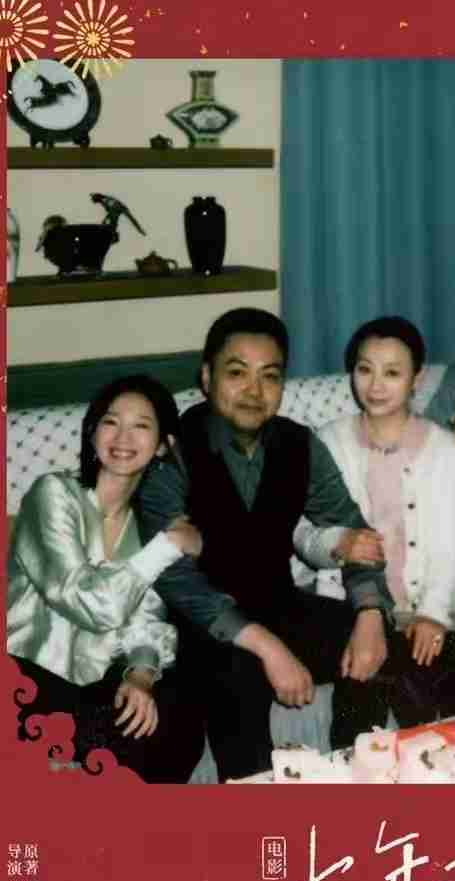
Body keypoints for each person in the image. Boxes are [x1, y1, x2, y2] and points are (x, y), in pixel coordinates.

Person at [136, 308, 394, 781]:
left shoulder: (299, 444)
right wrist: (268, 648)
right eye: (237, 373)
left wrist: (370, 612)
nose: (254, 390)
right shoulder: (172, 451)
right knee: (238, 679)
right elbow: (174, 579)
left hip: (280, 604)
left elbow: (352, 530)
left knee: (382, 647)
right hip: (203, 627)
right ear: (208, 377)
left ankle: (357, 776)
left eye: (269, 376)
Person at [7, 376, 205, 782]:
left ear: (163, 445)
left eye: (141, 425)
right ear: (92, 432)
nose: (123, 437)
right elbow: (84, 599)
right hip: (23, 673)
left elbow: (147, 620)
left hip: (93, 682)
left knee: (177, 715)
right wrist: (167, 546)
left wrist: (141, 676)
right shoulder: (53, 494)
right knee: (115, 734)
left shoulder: (148, 524)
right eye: (111, 422)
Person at [294, 316, 455, 725]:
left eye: (392, 373)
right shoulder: (327, 441)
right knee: (365, 684)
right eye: (365, 370)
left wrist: (432, 613)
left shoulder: (444, 449)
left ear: (417, 378)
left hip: (429, 604)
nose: (376, 385)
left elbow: (451, 545)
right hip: (350, 608)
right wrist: (337, 543)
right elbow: (302, 532)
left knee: (436, 669)